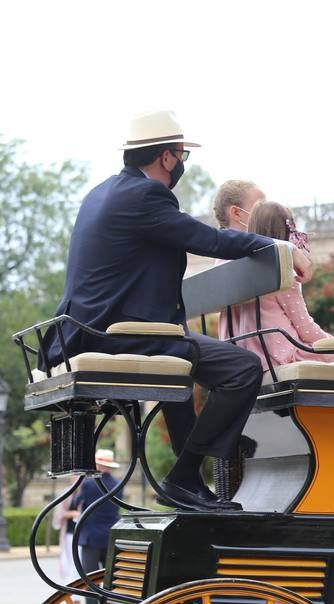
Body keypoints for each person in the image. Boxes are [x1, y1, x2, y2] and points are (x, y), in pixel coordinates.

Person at [49, 110, 310, 512]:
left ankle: (190, 477)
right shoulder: (146, 195)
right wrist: (281, 248)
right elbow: (208, 240)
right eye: (182, 156)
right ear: (168, 158)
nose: (182, 164)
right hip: (118, 334)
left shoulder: (103, 192)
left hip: (86, 331)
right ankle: (187, 475)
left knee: (179, 357)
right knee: (240, 370)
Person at [220, 201, 334, 505]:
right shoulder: (281, 274)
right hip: (287, 356)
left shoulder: (237, 272)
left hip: (253, 361)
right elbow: (307, 332)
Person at [66, 449, 123, 604]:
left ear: (97, 465)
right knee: (110, 580)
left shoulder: (89, 484)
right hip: (110, 536)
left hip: (91, 537)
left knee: (90, 579)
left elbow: (76, 503)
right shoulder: (117, 483)